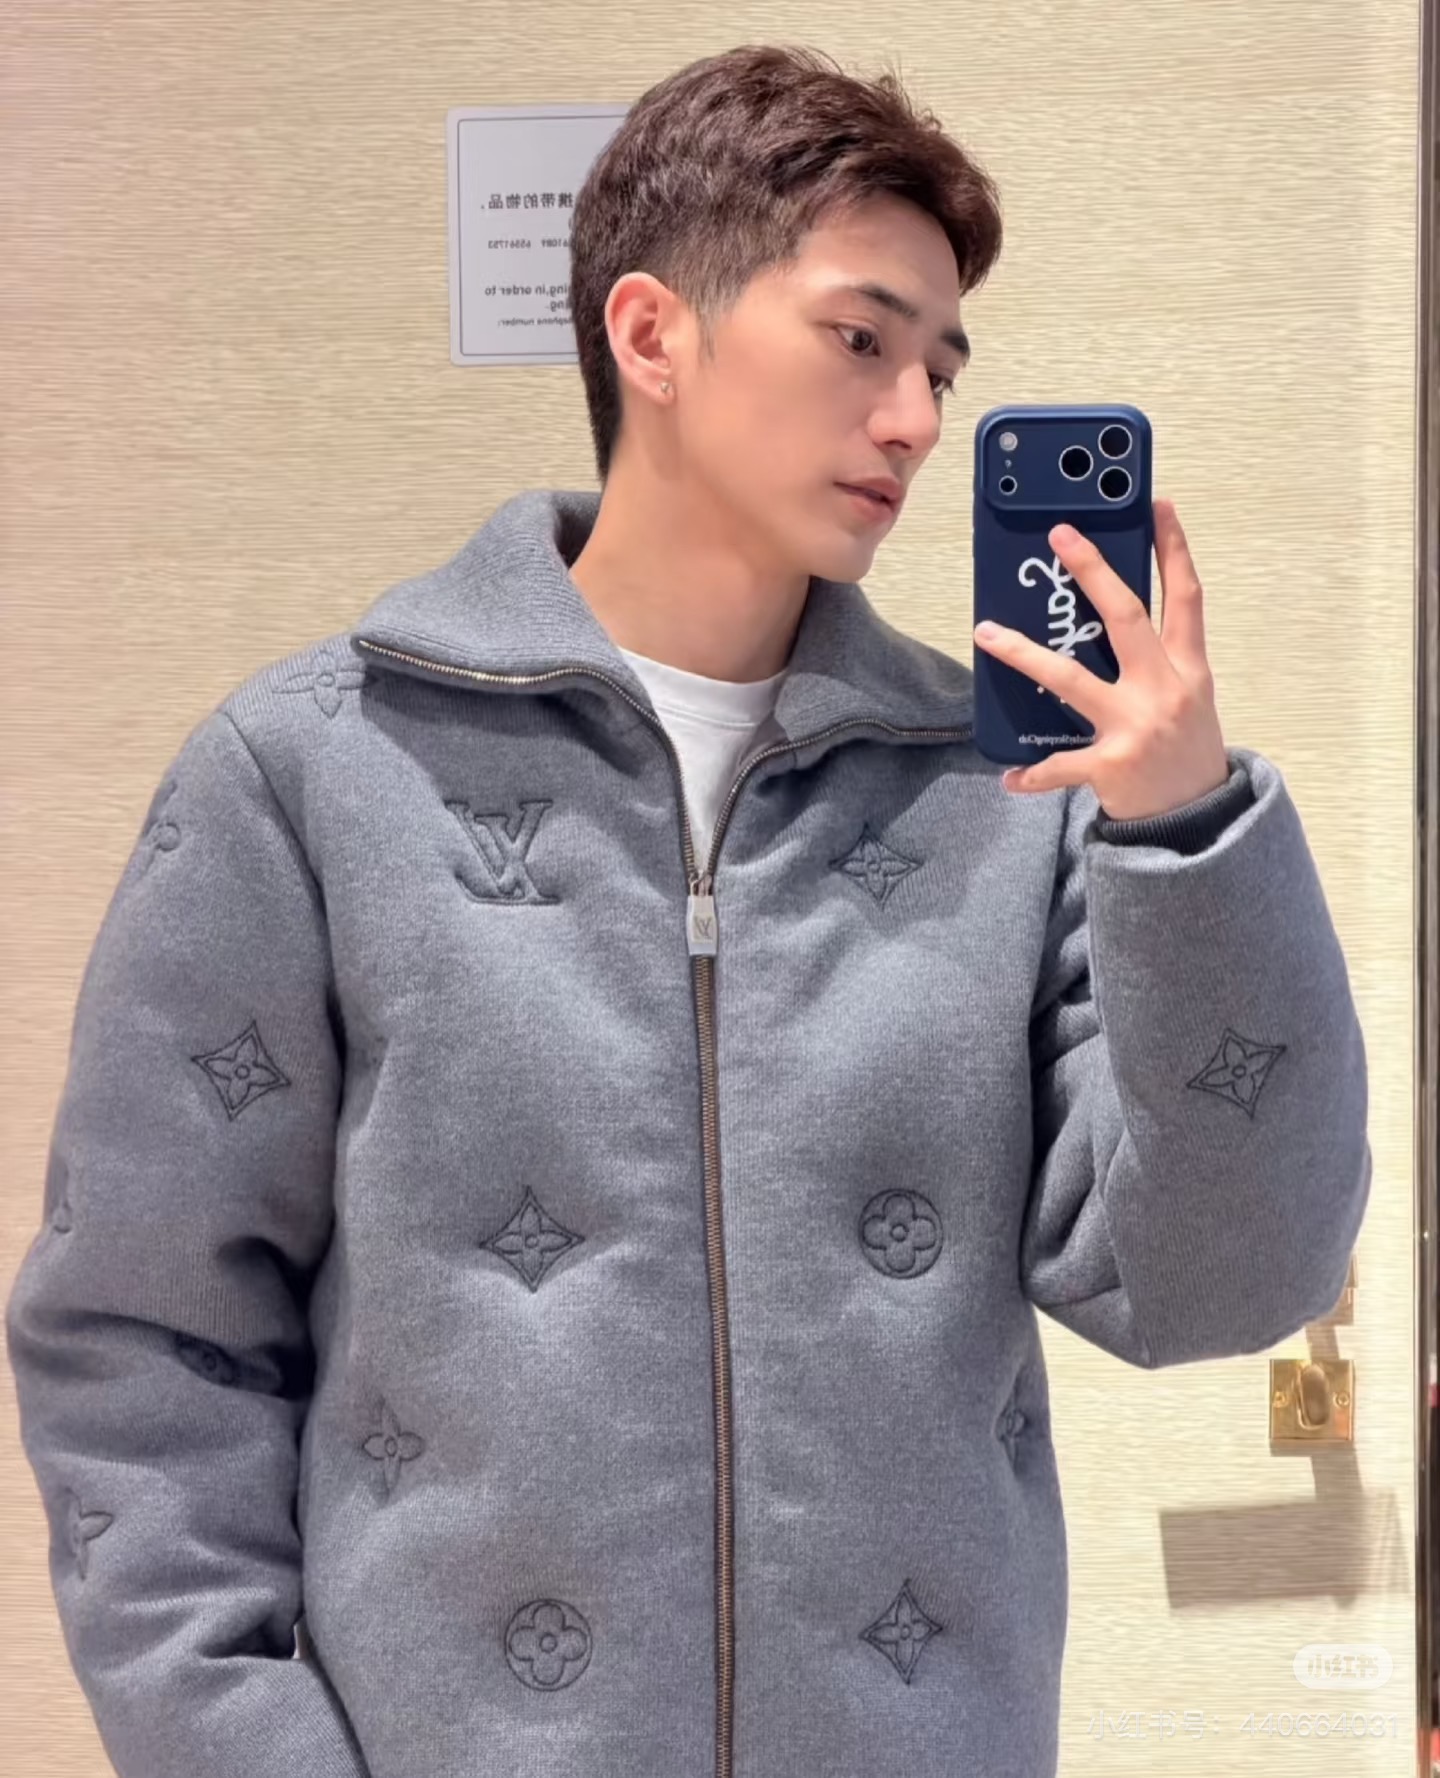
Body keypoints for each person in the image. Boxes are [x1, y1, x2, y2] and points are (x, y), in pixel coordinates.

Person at [4, 40, 1372, 1778]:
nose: (916, 418)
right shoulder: (316, 773)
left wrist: (1187, 825)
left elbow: (1225, 1279)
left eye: (942, 369)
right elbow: (140, 1344)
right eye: (862, 339)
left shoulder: (1000, 799)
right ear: (652, 335)